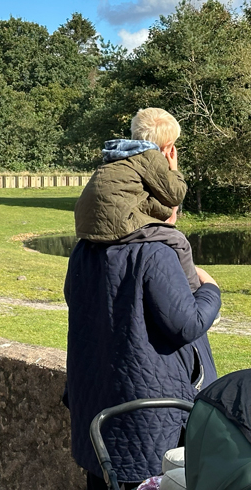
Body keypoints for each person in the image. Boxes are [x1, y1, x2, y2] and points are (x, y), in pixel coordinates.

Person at [64, 229, 222, 488]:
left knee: (105, 477)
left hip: (98, 408)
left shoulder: (85, 248)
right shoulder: (156, 253)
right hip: (149, 414)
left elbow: (76, 299)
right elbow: (187, 325)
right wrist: (211, 290)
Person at [74, 107, 200, 292]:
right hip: (119, 223)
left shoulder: (118, 155)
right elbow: (175, 194)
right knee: (178, 241)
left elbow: (136, 199)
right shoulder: (150, 156)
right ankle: (193, 293)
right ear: (168, 145)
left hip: (87, 225)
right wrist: (174, 169)